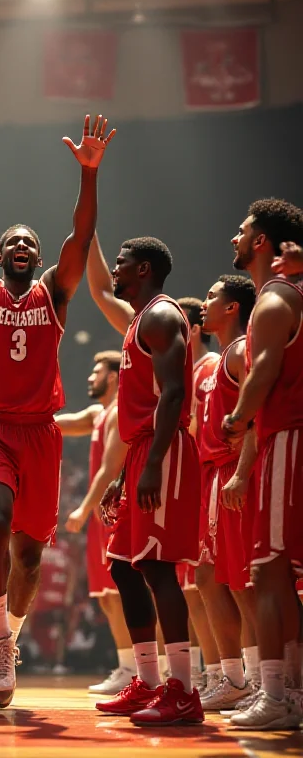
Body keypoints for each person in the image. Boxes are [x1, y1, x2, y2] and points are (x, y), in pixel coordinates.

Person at [0, 108, 114, 707]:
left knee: (30, 556)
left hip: (40, 433)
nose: (18, 246)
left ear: (38, 257)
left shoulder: (55, 295)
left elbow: (80, 237)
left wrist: (89, 176)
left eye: (27, 243)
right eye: (11, 241)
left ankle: (11, 627)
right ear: (0, 254)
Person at [88, 232, 204, 726]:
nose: (115, 269)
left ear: (145, 269)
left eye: (122, 262)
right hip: (142, 451)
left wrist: (155, 461)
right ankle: (148, 681)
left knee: (158, 568)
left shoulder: (161, 314)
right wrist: (125, 472)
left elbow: (174, 394)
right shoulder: (140, 319)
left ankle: (182, 690)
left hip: (166, 451)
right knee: (122, 568)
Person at [222, 198, 303, 730]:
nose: (235, 235)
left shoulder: (274, 300)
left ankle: (276, 696)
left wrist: (234, 418)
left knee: (268, 575)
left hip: (288, 439)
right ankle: (291, 691)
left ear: (260, 242)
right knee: (282, 579)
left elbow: (265, 372)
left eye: (243, 228)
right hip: (279, 442)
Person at [193, 275, 259, 712]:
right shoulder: (218, 361)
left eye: (213, 296)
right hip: (214, 474)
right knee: (209, 578)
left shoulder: (240, 352)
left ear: (233, 307)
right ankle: (232, 676)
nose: (205, 302)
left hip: (234, 474)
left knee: (245, 583)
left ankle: (258, 679)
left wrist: (243, 469)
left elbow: (258, 415)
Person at [56, 351, 134, 694]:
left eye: (96, 371)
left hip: (114, 512)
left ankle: (139, 668)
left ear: (115, 377)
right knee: (105, 595)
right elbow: (60, 423)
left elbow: (109, 468)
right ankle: (126, 665)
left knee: (119, 593)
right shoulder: (98, 413)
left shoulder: (121, 411)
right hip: (100, 517)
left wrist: (83, 509)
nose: (90, 377)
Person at [176, 297, 221, 693]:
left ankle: (236, 674)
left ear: (191, 330)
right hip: (192, 487)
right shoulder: (182, 374)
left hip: (213, 481)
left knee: (217, 583)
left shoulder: (211, 368)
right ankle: (213, 674)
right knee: (194, 589)